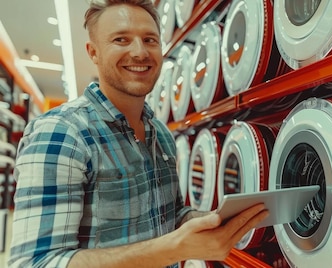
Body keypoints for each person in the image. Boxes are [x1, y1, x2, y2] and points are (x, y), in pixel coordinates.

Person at [8, 0, 268, 267]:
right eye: (121, 39)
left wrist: (207, 221)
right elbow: (35, 262)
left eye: (150, 40)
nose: (140, 52)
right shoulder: (62, 133)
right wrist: (173, 249)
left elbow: (168, 218)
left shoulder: (161, 135)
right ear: (93, 52)